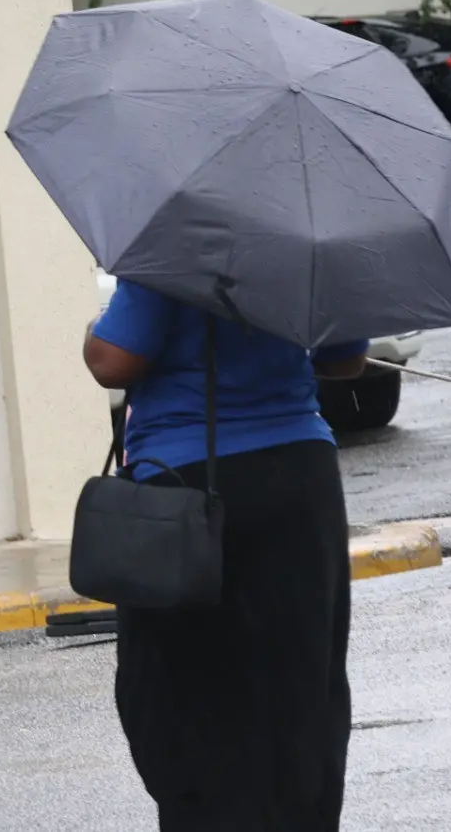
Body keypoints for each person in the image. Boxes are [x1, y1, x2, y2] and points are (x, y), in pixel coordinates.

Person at [85, 280, 369, 831]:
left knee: (187, 686)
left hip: (189, 484)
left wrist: (91, 333)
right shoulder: (305, 235)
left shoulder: (175, 237)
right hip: (300, 481)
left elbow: (113, 362)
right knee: (299, 680)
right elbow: (346, 361)